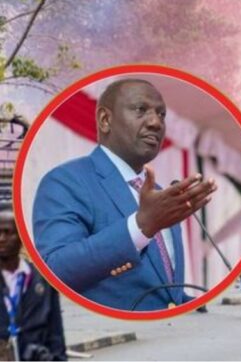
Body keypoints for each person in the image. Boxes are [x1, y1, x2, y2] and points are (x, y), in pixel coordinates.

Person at [33, 79, 217, 311]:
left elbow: (167, 296)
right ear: (105, 120)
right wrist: (141, 226)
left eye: (161, 114)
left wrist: (207, 305)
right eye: (141, 110)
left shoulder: (162, 197)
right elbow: (56, 270)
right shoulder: (65, 182)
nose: (155, 123)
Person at [0, 202, 66, 361]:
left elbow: (55, 335)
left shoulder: (43, 279)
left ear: (22, 236)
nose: (1, 238)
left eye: (8, 232)